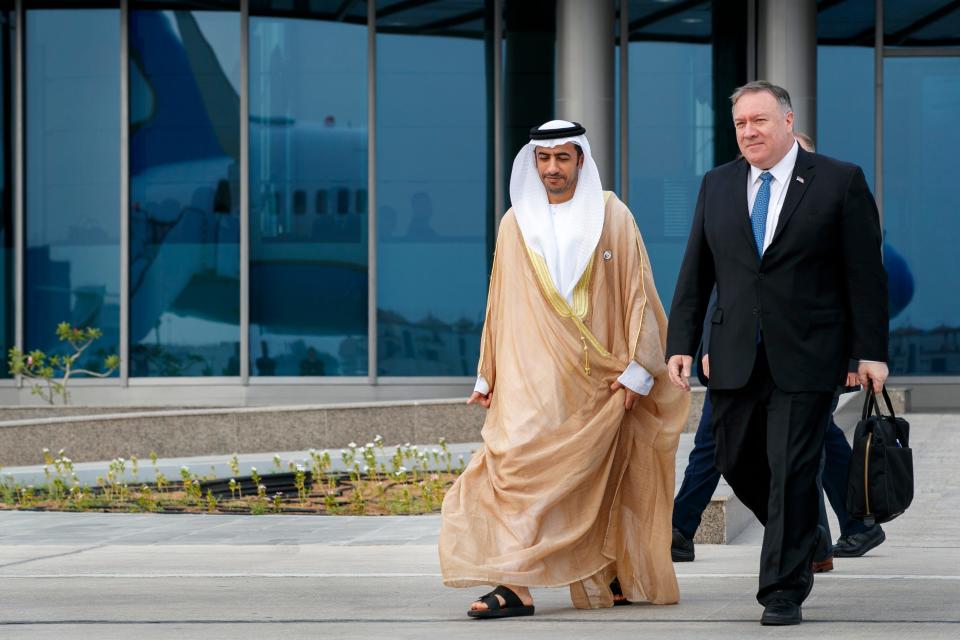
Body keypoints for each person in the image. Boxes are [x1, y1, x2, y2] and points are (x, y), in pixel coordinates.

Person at [439, 120, 689, 618]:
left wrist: (641, 370)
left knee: (597, 478)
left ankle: (608, 570)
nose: (553, 168)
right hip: (529, 383)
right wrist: (488, 373)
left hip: (599, 380)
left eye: (563, 158)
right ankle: (515, 583)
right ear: (533, 162)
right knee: (507, 470)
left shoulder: (612, 215)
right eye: (544, 158)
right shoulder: (516, 223)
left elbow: (639, 295)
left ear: (580, 161)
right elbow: (499, 302)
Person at [665, 82, 889, 626]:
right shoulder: (717, 184)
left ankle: (782, 590)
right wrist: (682, 343)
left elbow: (865, 274)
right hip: (735, 351)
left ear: (788, 122)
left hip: (810, 353)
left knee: (792, 465)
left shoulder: (839, 180)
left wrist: (870, 352)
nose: (749, 132)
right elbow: (697, 269)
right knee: (736, 458)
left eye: (760, 121)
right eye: (741, 124)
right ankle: (807, 531)